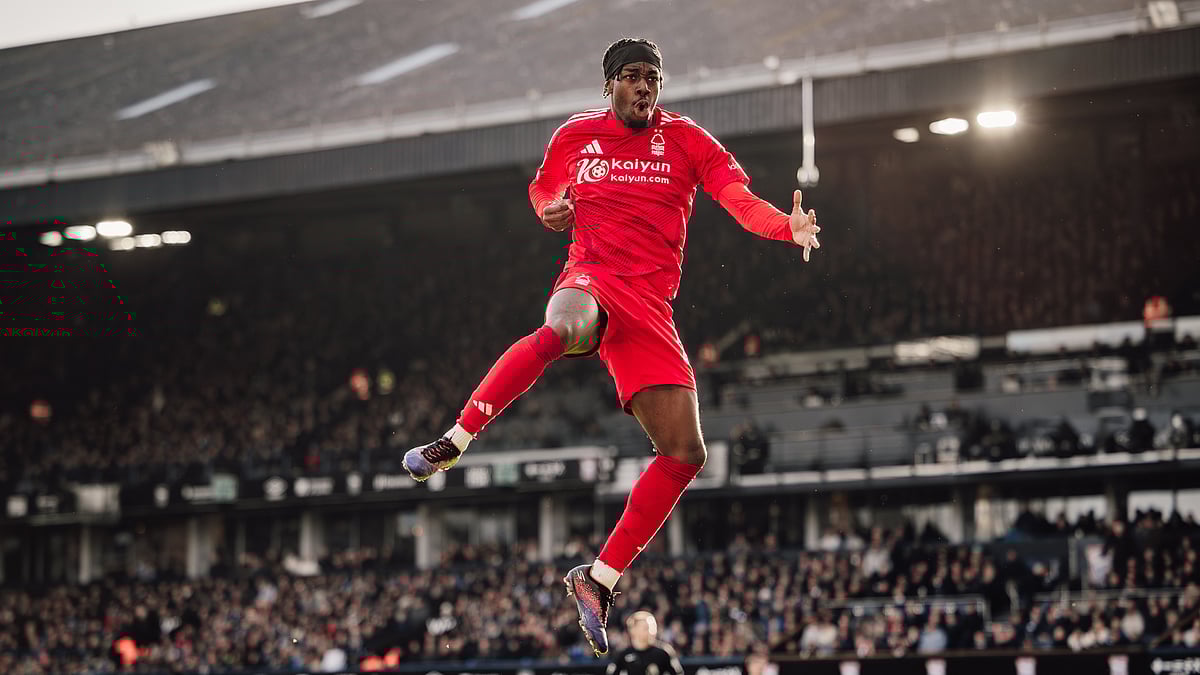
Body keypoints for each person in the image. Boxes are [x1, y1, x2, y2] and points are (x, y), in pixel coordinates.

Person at [401, 37, 822, 655]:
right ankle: (454, 441)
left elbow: (737, 200)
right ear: (610, 85)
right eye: (631, 76)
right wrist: (551, 209)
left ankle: (598, 579)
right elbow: (544, 192)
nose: (644, 86)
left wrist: (785, 226)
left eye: (653, 76)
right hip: (591, 275)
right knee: (563, 328)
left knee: (685, 454)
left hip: (650, 307)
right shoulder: (576, 136)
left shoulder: (688, 140)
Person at [607, 611, 684, 675]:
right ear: (633, 630)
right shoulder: (623, 654)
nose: (651, 631)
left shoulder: (663, 652)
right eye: (646, 628)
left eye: (653, 627)